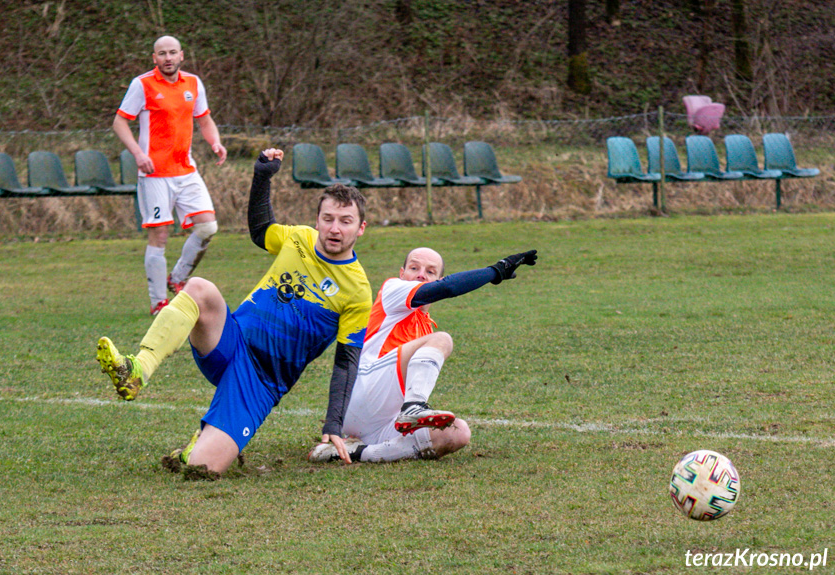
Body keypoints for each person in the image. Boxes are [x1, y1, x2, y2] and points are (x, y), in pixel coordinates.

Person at [96, 149, 373, 478]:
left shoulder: (357, 290)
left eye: (345, 221)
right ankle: (137, 368)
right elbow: (260, 230)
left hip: (262, 380)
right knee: (198, 287)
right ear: (317, 220)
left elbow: (347, 361)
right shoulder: (298, 238)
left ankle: (195, 448)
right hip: (231, 342)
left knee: (202, 469)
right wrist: (262, 176)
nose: (335, 228)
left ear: (361, 228)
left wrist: (333, 424)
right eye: (328, 219)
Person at [308, 246, 538, 464]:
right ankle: (414, 408)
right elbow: (447, 288)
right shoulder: (393, 289)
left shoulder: (425, 328)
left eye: (430, 272)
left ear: (438, 278)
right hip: (361, 391)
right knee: (443, 339)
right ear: (402, 273)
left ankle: (358, 452)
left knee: (458, 433)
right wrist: (496, 271)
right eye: (414, 268)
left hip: (382, 420)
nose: (421, 275)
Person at [113, 35, 228, 316]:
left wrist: (215, 142)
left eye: (172, 53)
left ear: (181, 56)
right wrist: (139, 156)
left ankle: (177, 278)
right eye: (161, 53)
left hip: (186, 170)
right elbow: (119, 122)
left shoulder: (193, 83)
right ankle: (157, 303)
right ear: (154, 58)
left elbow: (204, 118)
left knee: (207, 227)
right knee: (160, 237)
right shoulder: (142, 85)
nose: (167, 58)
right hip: (154, 174)